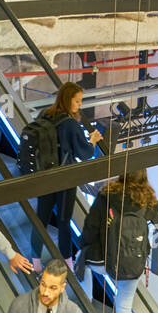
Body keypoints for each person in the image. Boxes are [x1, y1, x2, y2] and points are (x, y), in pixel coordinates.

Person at [80, 170, 158, 313]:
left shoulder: (108, 194)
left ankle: (87, 303)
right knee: (124, 305)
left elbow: (91, 227)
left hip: (103, 260)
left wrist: (85, 245)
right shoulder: (151, 202)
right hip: (133, 262)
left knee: (82, 260)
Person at [31, 82, 103, 264]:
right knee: (64, 221)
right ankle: (67, 263)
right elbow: (84, 153)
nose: (79, 105)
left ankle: (36, 262)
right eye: (77, 101)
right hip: (64, 179)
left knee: (41, 220)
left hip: (43, 176)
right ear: (68, 99)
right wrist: (93, 140)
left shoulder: (45, 114)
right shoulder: (70, 124)